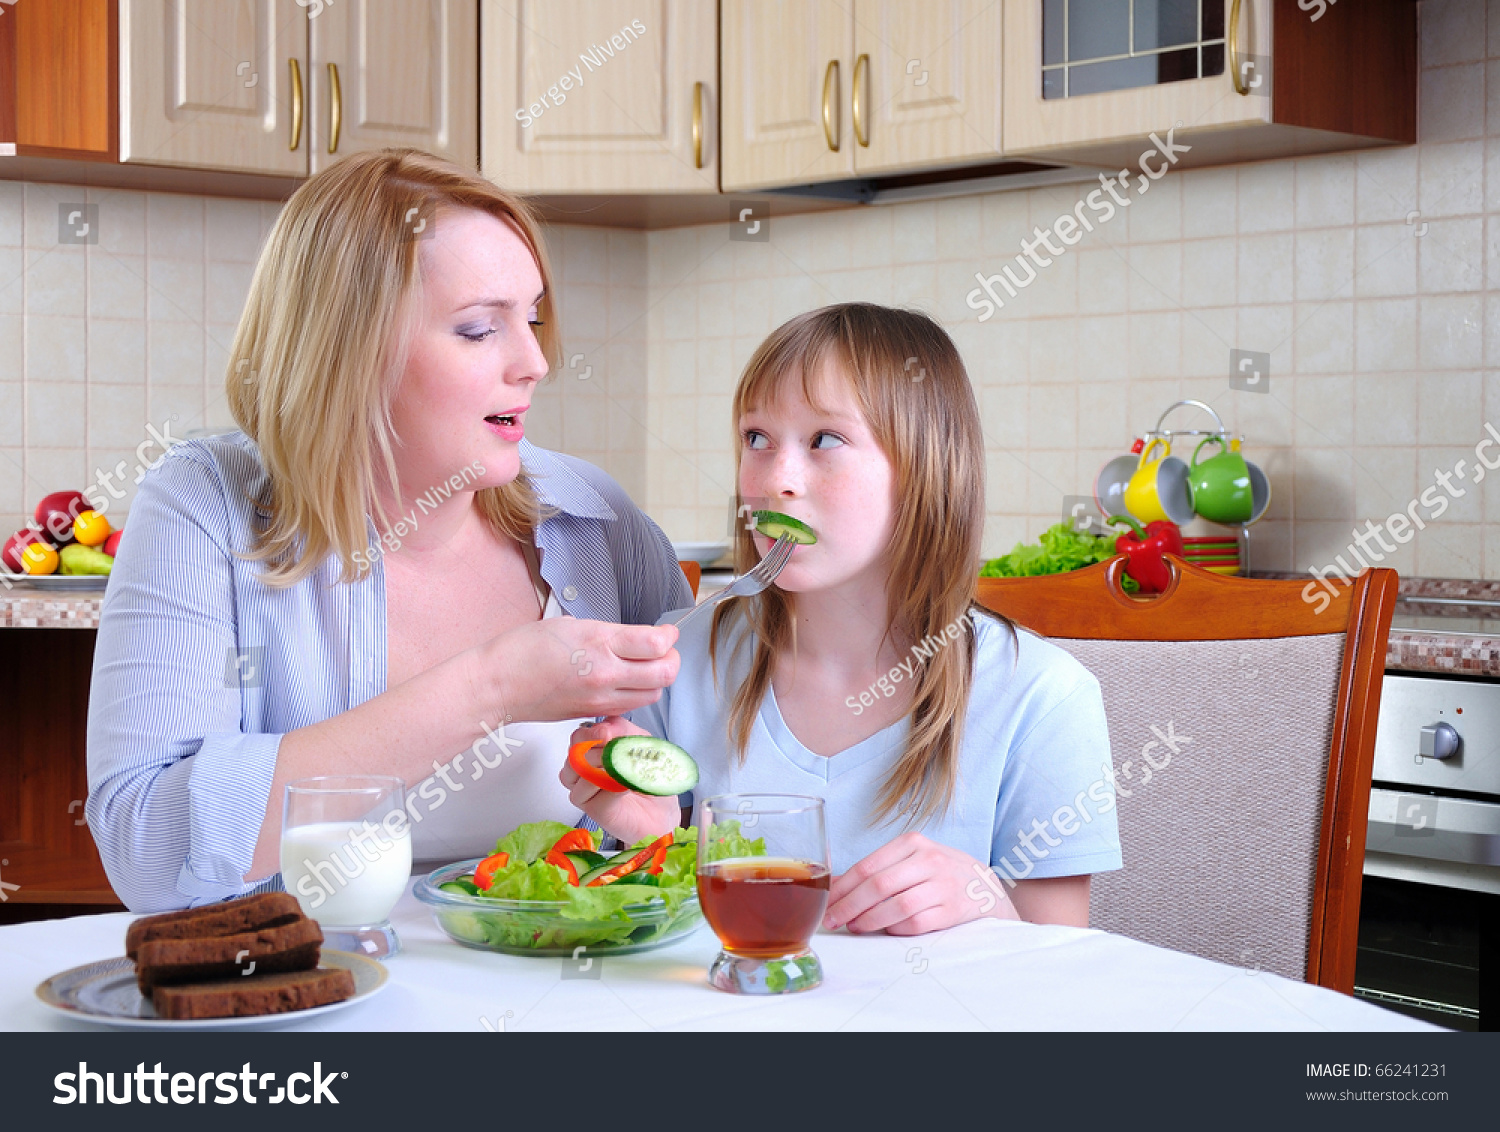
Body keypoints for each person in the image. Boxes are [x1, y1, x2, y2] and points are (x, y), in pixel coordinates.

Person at [87, 148, 688, 912]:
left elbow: (711, 816)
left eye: (532, 319)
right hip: (315, 1007)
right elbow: (147, 854)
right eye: (478, 329)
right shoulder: (207, 506)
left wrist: (651, 833)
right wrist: (491, 685)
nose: (535, 361)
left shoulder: (596, 522)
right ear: (347, 351)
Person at [562, 303, 1121, 934]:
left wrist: (987, 901)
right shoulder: (681, 659)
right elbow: (666, 930)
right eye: (756, 439)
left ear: (925, 469)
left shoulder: (1041, 697)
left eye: (825, 440)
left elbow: (1064, 963)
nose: (777, 481)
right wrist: (647, 837)